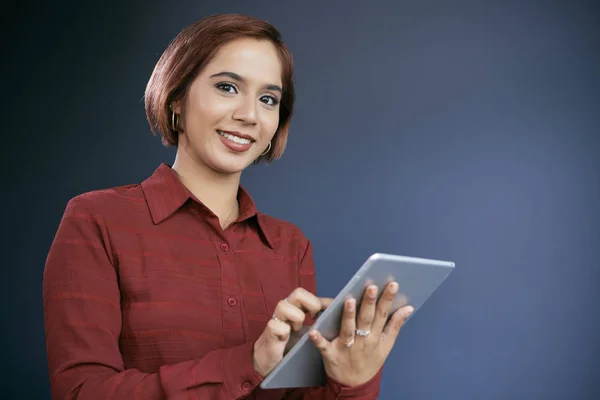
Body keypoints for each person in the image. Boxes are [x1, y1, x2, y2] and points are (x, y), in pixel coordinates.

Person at [42, 13, 414, 399]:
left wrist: (352, 379)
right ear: (176, 98)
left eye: (268, 99)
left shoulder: (290, 245)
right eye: (227, 87)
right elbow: (80, 392)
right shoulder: (97, 220)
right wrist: (248, 364)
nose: (249, 115)